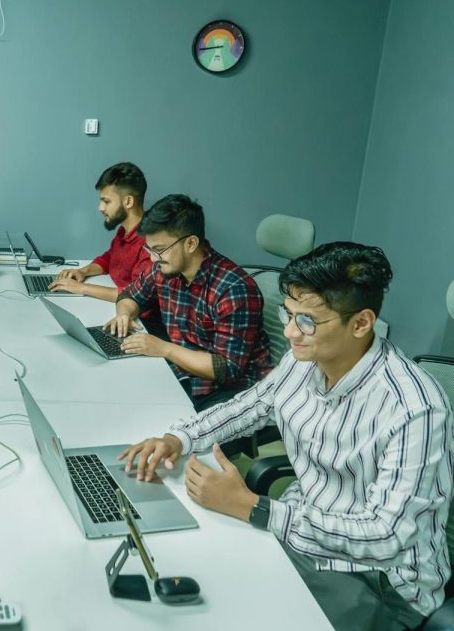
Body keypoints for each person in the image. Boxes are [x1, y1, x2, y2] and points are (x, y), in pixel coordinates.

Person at [118, 242, 452, 631]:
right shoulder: (302, 359)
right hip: (301, 532)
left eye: (307, 321)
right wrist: (179, 438)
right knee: (200, 582)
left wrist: (256, 508)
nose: (291, 332)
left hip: (378, 581)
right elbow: (250, 406)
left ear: (361, 323)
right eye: (289, 315)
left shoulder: (415, 408)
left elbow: (386, 537)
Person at [105, 194, 271, 410]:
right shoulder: (163, 268)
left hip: (230, 393)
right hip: (183, 372)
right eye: (149, 249)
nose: (153, 259)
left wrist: (164, 349)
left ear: (191, 243)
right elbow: (129, 295)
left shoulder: (234, 289)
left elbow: (226, 368)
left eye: (159, 250)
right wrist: (124, 314)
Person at [49, 163, 157, 320]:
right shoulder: (125, 230)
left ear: (128, 202)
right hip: (113, 307)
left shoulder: (151, 242)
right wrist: (82, 272)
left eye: (106, 201)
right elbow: (109, 258)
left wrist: (82, 288)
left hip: (140, 322)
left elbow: (135, 293)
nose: (100, 207)